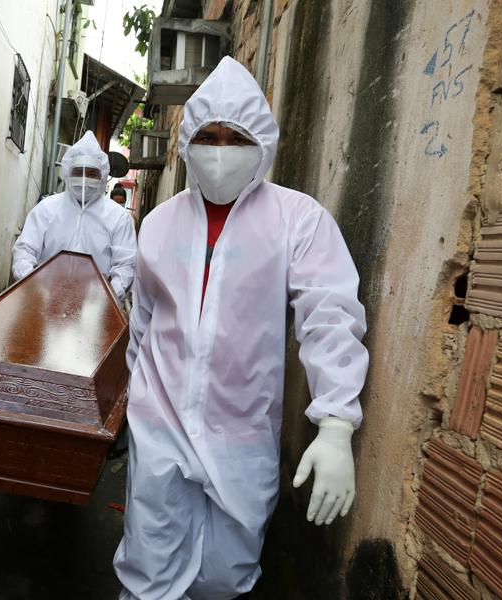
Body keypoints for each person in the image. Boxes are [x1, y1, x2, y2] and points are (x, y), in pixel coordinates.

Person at [113, 57, 369, 599]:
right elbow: (145, 322)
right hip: (160, 424)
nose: (221, 149)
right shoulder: (158, 225)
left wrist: (337, 425)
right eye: (209, 135)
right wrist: (129, 399)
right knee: (149, 570)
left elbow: (329, 314)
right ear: (187, 140)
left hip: (243, 428)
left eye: (237, 136)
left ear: (263, 143)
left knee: (226, 576)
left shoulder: (296, 220)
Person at [12, 131, 136, 299]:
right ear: (68, 173)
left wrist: (108, 298)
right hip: (44, 302)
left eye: (92, 173)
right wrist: (33, 285)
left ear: (102, 176)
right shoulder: (46, 209)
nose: (84, 179)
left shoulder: (118, 217)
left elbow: (125, 265)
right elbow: (25, 250)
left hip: (95, 310)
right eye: (78, 171)